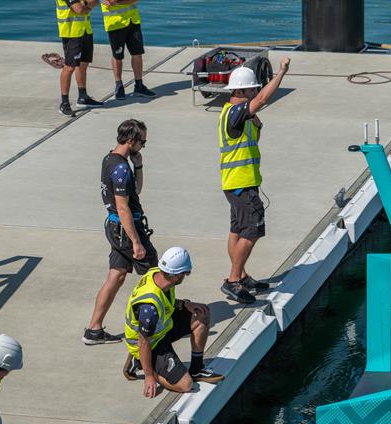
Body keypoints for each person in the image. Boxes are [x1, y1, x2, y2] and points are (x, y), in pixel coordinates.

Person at [218, 58, 290, 304]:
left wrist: (257, 125)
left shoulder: (236, 115)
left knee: (237, 230)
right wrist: (280, 73)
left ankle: (241, 276)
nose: (255, 93)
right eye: (251, 89)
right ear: (240, 91)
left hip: (237, 182)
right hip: (241, 183)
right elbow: (261, 101)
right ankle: (233, 280)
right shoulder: (237, 112)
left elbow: (251, 139)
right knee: (253, 230)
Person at [83, 119, 157, 345]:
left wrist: (140, 165)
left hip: (113, 227)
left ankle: (93, 330)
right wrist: (136, 241)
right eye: (142, 142)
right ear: (131, 140)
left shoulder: (110, 159)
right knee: (158, 275)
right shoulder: (121, 168)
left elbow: (136, 191)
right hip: (126, 229)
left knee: (116, 275)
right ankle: (159, 323)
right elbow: (124, 207)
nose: (143, 146)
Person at [123, 247, 224, 398]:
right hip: (151, 343)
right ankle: (140, 362)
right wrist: (149, 376)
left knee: (201, 314)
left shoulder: (159, 274)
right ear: (177, 276)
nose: (186, 276)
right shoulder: (149, 308)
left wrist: (185, 304)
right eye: (185, 273)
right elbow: (143, 341)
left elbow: (165, 300)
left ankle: (197, 368)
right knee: (185, 385)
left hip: (161, 328)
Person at [56, 0, 104, 116]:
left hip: (85, 30)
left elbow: (93, 2)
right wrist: (88, 5)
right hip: (71, 33)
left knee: (83, 64)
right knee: (69, 67)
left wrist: (87, 5)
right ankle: (64, 103)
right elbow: (79, 9)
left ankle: (83, 97)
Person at [100, 0, 156, 100]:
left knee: (137, 53)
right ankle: (119, 86)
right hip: (115, 23)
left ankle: (139, 86)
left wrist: (117, 2)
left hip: (133, 21)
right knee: (117, 56)